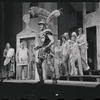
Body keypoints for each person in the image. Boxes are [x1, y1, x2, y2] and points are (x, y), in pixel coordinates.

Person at [34, 19, 57, 84]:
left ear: (44, 25)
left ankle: (54, 79)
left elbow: (52, 41)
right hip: (42, 50)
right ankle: (41, 80)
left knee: (49, 63)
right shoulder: (41, 33)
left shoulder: (47, 31)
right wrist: (39, 47)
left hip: (47, 50)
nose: (40, 26)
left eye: (41, 24)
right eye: (39, 25)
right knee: (38, 64)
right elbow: (44, 43)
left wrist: (46, 47)